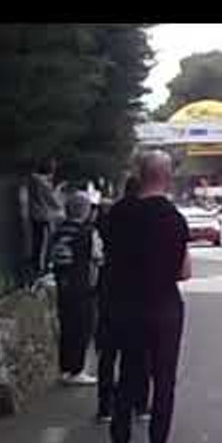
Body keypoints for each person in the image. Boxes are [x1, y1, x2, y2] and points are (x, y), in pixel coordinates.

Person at [105, 151, 191, 443]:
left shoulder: (118, 214)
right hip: (164, 305)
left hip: (127, 304)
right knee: (163, 380)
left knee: (127, 375)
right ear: (167, 177)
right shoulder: (174, 219)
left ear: (139, 175)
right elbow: (184, 273)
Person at [95, 175, 149, 424]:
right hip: (138, 289)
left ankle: (105, 406)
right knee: (139, 352)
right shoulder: (147, 214)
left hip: (110, 286)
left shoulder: (110, 214)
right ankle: (139, 404)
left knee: (107, 353)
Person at [49, 190, 102, 386]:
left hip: (62, 283)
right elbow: (97, 257)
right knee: (82, 327)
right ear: (85, 211)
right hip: (82, 286)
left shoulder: (59, 231)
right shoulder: (87, 233)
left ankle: (64, 369)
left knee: (66, 327)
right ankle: (77, 369)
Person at [28, 157, 65, 283]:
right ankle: (40, 273)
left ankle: (37, 272)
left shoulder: (33, 180)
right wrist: (58, 189)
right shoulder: (43, 183)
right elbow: (53, 201)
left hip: (35, 216)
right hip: (43, 217)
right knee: (43, 246)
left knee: (37, 245)